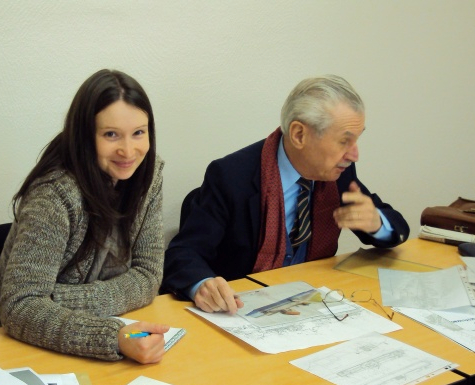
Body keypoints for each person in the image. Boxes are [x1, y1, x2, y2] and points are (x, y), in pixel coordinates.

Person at [162, 75, 410, 314]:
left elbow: (397, 227)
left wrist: (377, 223)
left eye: (357, 140)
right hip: (242, 310)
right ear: (299, 134)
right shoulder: (231, 176)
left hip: (310, 303)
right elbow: (184, 252)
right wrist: (202, 284)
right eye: (344, 141)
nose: (354, 154)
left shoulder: (339, 172)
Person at [0, 69, 169, 364]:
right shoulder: (54, 195)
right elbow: (19, 307)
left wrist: (57, 300)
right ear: (84, 136)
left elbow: (149, 276)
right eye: (110, 134)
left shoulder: (148, 174)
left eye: (139, 133)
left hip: (80, 334)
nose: (129, 150)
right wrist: (113, 336)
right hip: (5, 346)